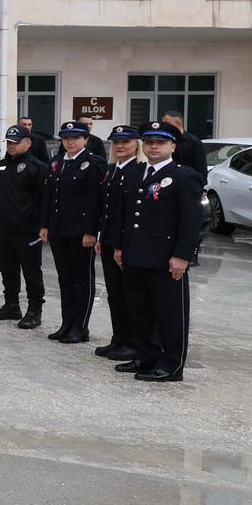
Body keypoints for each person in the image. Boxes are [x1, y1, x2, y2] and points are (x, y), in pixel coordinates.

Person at [114, 121, 202, 382]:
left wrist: (183, 256)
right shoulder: (134, 173)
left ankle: (171, 365)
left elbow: (191, 221)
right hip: (134, 254)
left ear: (172, 146)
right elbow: (127, 215)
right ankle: (146, 356)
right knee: (139, 310)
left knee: (169, 314)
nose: (153, 146)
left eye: (160, 142)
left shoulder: (184, 176)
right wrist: (120, 246)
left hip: (166, 257)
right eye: (149, 142)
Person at [41, 119, 106, 344]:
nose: (70, 142)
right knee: (65, 279)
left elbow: (94, 201)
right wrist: (45, 225)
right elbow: (49, 196)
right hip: (59, 229)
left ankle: (81, 327)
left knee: (82, 279)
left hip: (80, 231)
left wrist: (91, 231)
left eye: (76, 138)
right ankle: (66, 323)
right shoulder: (57, 162)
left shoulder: (93, 163)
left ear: (86, 140)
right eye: (66, 138)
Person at [0, 125, 47, 329]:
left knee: (31, 272)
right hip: (4, 227)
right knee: (8, 269)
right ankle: (11, 305)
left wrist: (43, 225)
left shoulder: (37, 167)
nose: (12, 146)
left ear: (28, 143)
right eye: (9, 142)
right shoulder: (2, 165)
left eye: (16, 142)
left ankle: (34, 310)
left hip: (27, 229)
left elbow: (44, 199)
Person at [95, 124, 145, 361]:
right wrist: (101, 237)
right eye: (116, 142)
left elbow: (130, 214)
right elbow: (107, 209)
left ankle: (133, 342)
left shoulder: (138, 171)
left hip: (123, 243)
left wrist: (120, 245)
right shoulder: (114, 169)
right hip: (108, 239)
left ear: (137, 144)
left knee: (129, 294)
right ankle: (119, 338)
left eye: (126, 141)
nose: (120, 146)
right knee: (114, 294)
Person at [160, 109, 209, 184]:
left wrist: (201, 186)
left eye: (166, 123)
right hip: (166, 182)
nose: (163, 126)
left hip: (188, 183)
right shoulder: (164, 140)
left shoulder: (193, 142)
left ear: (177, 122)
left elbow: (201, 167)